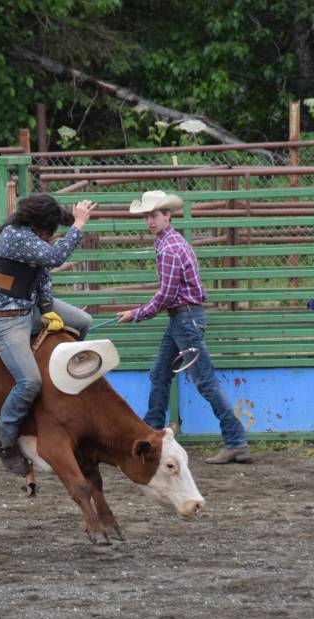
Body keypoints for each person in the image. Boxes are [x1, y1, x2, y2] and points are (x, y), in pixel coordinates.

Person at [116, 190, 251, 464]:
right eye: (146, 217)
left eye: (154, 215)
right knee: (160, 375)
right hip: (183, 319)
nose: (149, 221)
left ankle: (235, 441)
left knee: (204, 382)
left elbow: (166, 294)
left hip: (184, 319)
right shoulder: (172, 243)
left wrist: (136, 313)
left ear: (167, 215)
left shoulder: (169, 248)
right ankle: (150, 434)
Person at [0, 194, 97, 474]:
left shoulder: (31, 235)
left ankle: (62, 386)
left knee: (82, 321)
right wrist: (78, 225)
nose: (50, 235)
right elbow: (55, 258)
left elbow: (42, 274)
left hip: (28, 308)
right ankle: (2, 436)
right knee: (29, 382)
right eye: (49, 230)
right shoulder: (15, 236)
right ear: (37, 225)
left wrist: (46, 308)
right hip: (4, 318)